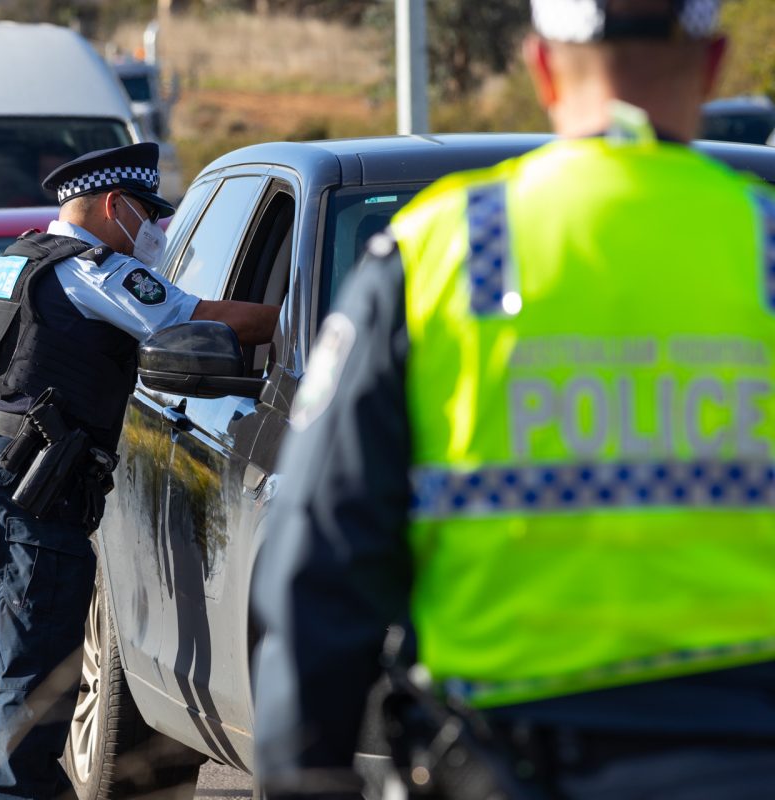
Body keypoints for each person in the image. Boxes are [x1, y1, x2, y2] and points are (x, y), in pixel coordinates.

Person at [252, 0, 775, 798]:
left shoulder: (434, 257)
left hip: (502, 764)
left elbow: (319, 561)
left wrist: (306, 777)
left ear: (538, 65)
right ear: (712, 63)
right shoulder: (765, 247)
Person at [0, 141, 278, 799]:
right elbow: (196, 318)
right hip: (30, 483)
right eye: (147, 216)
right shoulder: (94, 270)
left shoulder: (18, 260)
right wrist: (302, 317)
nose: (152, 232)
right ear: (114, 205)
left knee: (26, 667)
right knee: (39, 676)